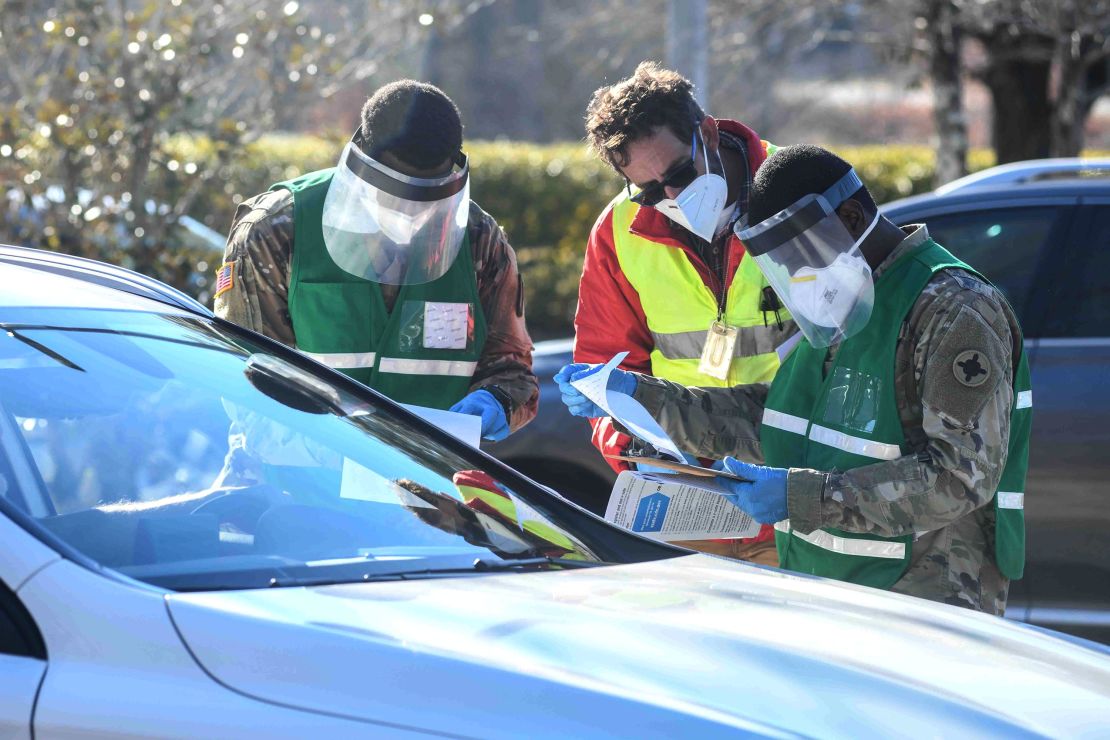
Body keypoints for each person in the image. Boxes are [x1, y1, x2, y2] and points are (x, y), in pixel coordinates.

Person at [558, 144, 1031, 615]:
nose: (796, 275)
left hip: (926, 601)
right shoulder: (853, 302)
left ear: (849, 218)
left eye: (798, 254)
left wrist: (799, 496)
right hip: (832, 587)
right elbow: (781, 418)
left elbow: (959, 477)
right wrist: (640, 398)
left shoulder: (955, 310)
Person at [214, 80, 537, 442]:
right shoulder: (277, 230)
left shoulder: (478, 241)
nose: (408, 214)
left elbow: (513, 370)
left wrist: (498, 400)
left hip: (427, 486)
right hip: (290, 481)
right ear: (361, 163)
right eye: (392, 196)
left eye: (425, 200)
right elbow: (243, 371)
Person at [569, 61, 797, 563]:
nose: (672, 197)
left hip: (794, 489)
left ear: (709, 134)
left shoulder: (798, 187)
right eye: (650, 190)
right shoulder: (619, 230)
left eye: (678, 174)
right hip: (692, 499)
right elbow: (611, 365)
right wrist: (632, 445)